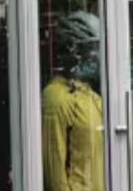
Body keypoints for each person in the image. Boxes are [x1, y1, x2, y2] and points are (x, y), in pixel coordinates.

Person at [41, 10, 106, 191]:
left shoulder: (93, 97)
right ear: (74, 48)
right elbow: (55, 177)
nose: (100, 57)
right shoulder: (55, 97)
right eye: (95, 48)